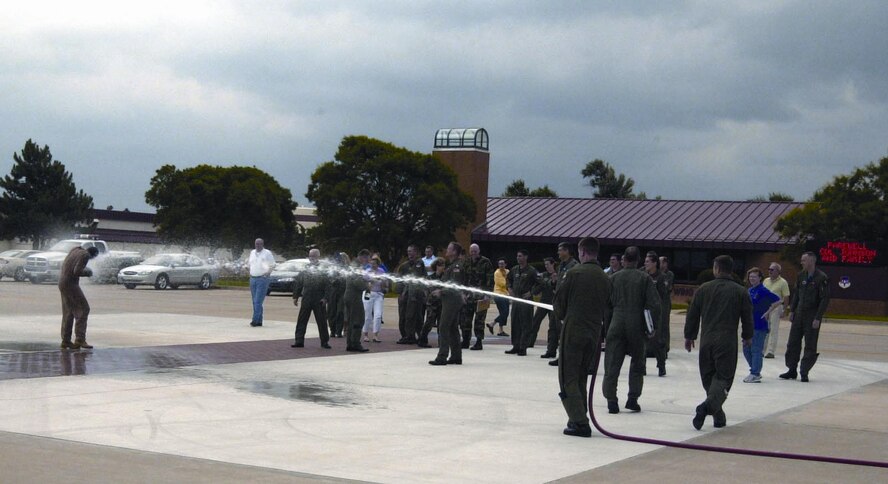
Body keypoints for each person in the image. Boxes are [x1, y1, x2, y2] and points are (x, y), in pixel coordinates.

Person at [685, 255, 753, 430]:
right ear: (731, 270)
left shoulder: (703, 289)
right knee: (723, 379)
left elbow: (692, 314)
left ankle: (718, 415)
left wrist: (689, 335)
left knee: (708, 377)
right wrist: (747, 336)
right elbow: (747, 317)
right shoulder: (740, 291)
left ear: (716, 268)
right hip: (727, 341)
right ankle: (706, 408)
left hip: (706, 340)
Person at [554, 237, 610, 438]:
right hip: (593, 333)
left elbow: (559, 306)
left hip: (573, 331)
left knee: (568, 377)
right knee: (581, 378)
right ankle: (578, 414)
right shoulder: (605, 278)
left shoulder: (574, 274)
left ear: (583, 252)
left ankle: (579, 422)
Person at [602, 247, 660, 414]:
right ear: (638, 260)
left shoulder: (613, 278)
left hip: (617, 321)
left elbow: (606, 305)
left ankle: (611, 400)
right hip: (636, 324)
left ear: (623, 260)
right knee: (637, 362)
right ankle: (632, 398)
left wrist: (607, 327)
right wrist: (651, 327)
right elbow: (654, 305)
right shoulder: (645, 279)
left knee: (612, 362)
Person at [781, 252, 830, 382]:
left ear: (812, 261)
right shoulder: (800, 275)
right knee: (793, 343)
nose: (802, 262)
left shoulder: (821, 277)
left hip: (812, 315)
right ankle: (791, 370)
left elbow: (824, 299)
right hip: (799, 314)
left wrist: (818, 318)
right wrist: (792, 310)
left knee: (810, 344)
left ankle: (804, 371)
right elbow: (796, 293)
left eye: (804, 260)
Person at [429, 242, 468, 366]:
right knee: (452, 328)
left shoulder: (456, 266)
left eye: (449, 248)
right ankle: (456, 356)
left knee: (444, 326)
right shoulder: (452, 266)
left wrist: (441, 291)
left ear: (455, 252)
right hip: (450, 300)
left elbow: (454, 285)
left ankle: (442, 356)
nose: (447, 250)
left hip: (452, 300)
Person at [743, 267, 781, 383]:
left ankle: (755, 373)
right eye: (750, 276)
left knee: (755, 349)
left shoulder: (763, 291)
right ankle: (754, 370)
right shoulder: (750, 291)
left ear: (760, 278)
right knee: (746, 349)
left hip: (759, 325)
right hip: (749, 324)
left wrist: (768, 312)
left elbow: (778, 300)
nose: (752, 279)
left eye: (754, 276)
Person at [58, 246, 99, 349]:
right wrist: (88, 272)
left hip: (62, 283)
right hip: (71, 285)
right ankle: (80, 340)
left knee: (69, 312)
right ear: (92, 255)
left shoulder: (75, 250)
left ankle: (66, 340)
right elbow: (77, 271)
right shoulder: (85, 255)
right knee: (84, 309)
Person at [291, 248, 332, 349]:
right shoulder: (305, 269)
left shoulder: (323, 270)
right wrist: (295, 296)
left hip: (319, 299)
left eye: (314, 256)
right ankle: (299, 340)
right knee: (302, 320)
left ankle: (324, 342)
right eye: (310, 256)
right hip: (307, 297)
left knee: (322, 321)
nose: (311, 258)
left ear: (318, 257)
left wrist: (326, 298)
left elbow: (328, 285)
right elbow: (299, 283)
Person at [547, 242, 579, 366]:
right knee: (557, 331)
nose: (558, 253)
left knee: (566, 333)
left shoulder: (574, 266)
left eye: (560, 250)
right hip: (559, 303)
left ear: (567, 251)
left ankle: (567, 358)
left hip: (568, 304)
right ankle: (560, 356)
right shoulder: (562, 266)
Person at [506, 249, 539, 356]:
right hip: (516, 300)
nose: (518, 258)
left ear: (526, 257)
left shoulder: (531, 270)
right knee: (515, 323)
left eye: (520, 256)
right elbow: (508, 280)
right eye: (517, 256)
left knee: (525, 324)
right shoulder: (514, 269)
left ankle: (523, 347)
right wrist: (509, 289)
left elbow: (540, 283)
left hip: (526, 301)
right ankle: (515, 345)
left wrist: (531, 292)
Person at [644, 251, 671, 377]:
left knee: (657, 340)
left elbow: (663, 296)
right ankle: (641, 366)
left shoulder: (661, 277)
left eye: (648, 261)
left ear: (655, 263)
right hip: (644, 311)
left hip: (655, 312)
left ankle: (661, 365)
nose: (646, 263)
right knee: (642, 340)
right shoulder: (642, 274)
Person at [463, 243, 494, 350]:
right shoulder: (466, 262)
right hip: (469, 296)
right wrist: (463, 293)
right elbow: (464, 278)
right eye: (471, 251)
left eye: (475, 251)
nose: (473, 253)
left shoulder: (486, 262)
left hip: (482, 296)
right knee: (466, 319)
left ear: (479, 251)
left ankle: (478, 342)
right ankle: (465, 340)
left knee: (479, 320)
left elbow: (490, 280)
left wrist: (487, 295)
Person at [396, 244, 427, 345]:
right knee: (403, 316)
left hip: (415, 295)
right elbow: (399, 280)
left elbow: (421, 279)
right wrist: (400, 293)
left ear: (416, 253)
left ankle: (415, 335)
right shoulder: (404, 266)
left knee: (414, 316)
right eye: (408, 251)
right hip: (405, 295)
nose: (410, 253)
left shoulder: (419, 264)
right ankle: (406, 335)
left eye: (411, 251)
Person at [341, 253, 369, 352]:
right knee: (359, 320)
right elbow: (358, 283)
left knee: (351, 321)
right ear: (362, 257)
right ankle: (356, 343)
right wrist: (367, 284)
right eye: (366, 260)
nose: (367, 262)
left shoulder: (353, 266)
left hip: (349, 296)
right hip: (354, 297)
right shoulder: (356, 267)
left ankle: (350, 344)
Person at [763, 262, 791, 359]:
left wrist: (784, 310)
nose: (769, 271)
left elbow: (786, 297)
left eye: (772, 270)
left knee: (773, 330)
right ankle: (762, 350)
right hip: (765, 307)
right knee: (764, 329)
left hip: (776, 307)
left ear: (778, 271)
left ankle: (771, 351)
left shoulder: (783, 282)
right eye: (769, 269)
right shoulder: (765, 281)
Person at [529, 257, 557, 350]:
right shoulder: (543, 275)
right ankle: (530, 342)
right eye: (545, 265)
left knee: (553, 325)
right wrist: (533, 292)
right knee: (535, 322)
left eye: (548, 264)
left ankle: (552, 344)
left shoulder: (557, 275)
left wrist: (554, 282)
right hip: (543, 301)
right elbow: (538, 287)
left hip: (553, 303)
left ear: (553, 264)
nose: (546, 266)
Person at [418, 258, 446, 348]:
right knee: (429, 322)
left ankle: (441, 342)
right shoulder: (430, 278)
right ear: (436, 266)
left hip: (442, 303)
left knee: (441, 324)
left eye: (443, 265)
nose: (442, 267)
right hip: (432, 304)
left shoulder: (445, 278)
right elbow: (426, 290)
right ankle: (422, 340)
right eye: (440, 265)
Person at [248, 238, 275, 327]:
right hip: (253, 278)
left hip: (262, 279)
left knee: (258, 301)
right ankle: (259, 320)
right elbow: (250, 264)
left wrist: (267, 274)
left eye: (259, 244)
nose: (257, 245)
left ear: (262, 244)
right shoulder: (252, 253)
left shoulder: (267, 253)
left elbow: (272, 265)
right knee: (254, 301)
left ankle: (255, 320)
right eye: (256, 244)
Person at [362, 256, 388, 343]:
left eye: (374, 264)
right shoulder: (367, 271)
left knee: (378, 315)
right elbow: (364, 281)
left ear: (378, 264)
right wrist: (370, 281)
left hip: (378, 294)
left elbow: (385, 284)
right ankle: (365, 334)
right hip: (368, 293)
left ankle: (375, 335)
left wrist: (384, 284)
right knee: (367, 315)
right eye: (371, 264)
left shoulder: (382, 271)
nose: (373, 265)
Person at [326, 253, 348, 338]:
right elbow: (328, 281)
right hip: (332, 292)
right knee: (331, 312)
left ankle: (339, 331)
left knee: (340, 312)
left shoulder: (345, 269)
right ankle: (332, 330)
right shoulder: (331, 269)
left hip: (342, 292)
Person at [488, 258, 510, 336]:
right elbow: (502, 283)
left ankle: (500, 331)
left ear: (505, 264)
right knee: (504, 312)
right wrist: (508, 280)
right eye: (499, 264)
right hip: (498, 294)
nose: (500, 265)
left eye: (502, 264)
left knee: (504, 313)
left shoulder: (507, 271)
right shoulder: (497, 273)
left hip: (506, 295)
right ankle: (492, 323)